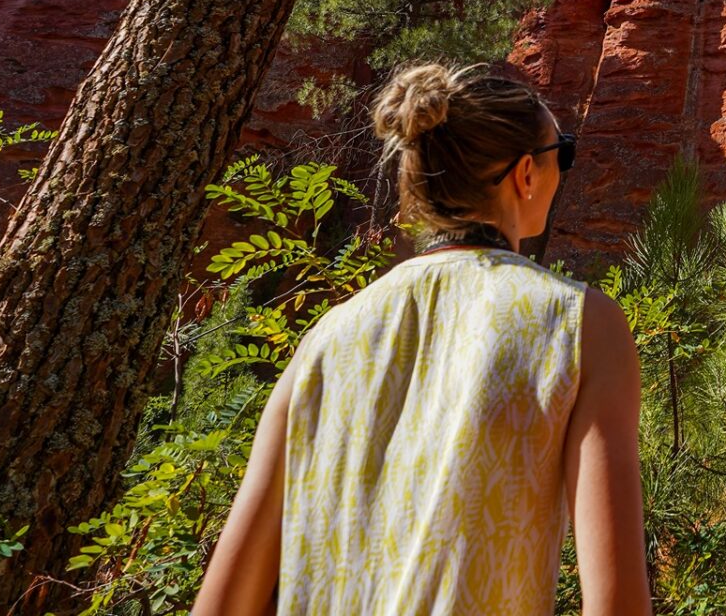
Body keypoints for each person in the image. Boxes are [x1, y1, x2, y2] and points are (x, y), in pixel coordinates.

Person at [194, 63, 650, 616]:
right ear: (525, 175)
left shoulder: (325, 338)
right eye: (565, 153)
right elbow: (617, 605)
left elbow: (222, 604)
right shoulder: (578, 324)